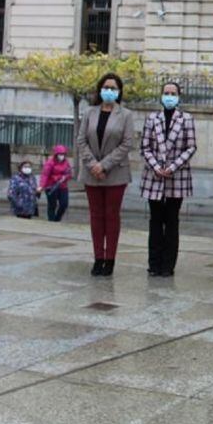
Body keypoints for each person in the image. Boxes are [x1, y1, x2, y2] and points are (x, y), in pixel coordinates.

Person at [77, 72, 135, 278]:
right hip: (91, 173)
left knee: (112, 216)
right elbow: (81, 140)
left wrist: (105, 165)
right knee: (96, 216)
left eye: (113, 88)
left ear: (118, 92)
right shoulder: (89, 113)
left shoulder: (126, 115)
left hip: (115, 173)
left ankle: (110, 259)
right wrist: (93, 164)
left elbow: (127, 143)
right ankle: (97, 258)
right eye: (106, 87)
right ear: (100, 89)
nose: (109, 91)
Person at [140, 82, 197, 277]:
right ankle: (154, 263)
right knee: (155, 221)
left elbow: (191, 147)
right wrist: (157, 166)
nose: (169, 96)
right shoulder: (151, 118)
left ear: (179, 96)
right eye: (166, 93)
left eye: (173, 93)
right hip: (154, 176)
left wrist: (172, 167)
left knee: (172, 221)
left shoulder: (187, 119)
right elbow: (145, 147)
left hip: (177, 176)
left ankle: (168, 265)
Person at [39, 144, 72, 222]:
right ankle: (51, 220)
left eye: (63, 154)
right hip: (51, 187)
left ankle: (57, 219)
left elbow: (69, 174)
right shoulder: (50, 163)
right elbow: (45, 175)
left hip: (63, 186)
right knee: (52, 205)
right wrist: (41, 186)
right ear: (56, 154)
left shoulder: (66, 163)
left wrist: (65, 177)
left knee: (64, 204)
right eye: (60, 154)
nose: (62, 156)